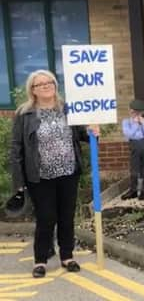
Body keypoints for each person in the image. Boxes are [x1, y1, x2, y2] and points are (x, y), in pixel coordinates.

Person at [10, 70, 99, 278]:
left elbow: (81, 135)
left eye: (49, 82)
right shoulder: (24, 114)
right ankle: (40, 259)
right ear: (32, 90)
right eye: (40, 84)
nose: (46, 86)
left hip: (68, 172)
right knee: (46, 217)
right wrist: (19, 182)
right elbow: (16, 148)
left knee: (66, 216)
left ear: (55, 85)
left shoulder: (67, 109)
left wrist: (92, 131)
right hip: (40, 176)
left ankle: (67, 256)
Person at [121, 99, 144, 201]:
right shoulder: (126, 122)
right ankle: (133, 190)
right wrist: (135, 124)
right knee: (134, 169)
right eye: (134, 112)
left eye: (139, 112)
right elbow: (129, 134)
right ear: (131, 111)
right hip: (134, 144)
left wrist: (143, 124)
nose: (137, 114)